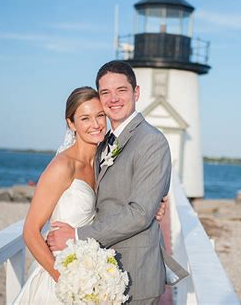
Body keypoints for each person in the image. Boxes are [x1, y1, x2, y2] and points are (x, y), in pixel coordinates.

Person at [47, 61, 185, 304]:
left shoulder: (151, 141)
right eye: (105, 92)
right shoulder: (102, 143)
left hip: (136, 276)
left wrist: (77, 235)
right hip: (100, 271)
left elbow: (140, 213)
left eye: (121, 90)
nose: (113, 99)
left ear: (136, 93)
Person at [13, 86, 167, 304]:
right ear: (71, 123)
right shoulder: (62, 167)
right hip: (62, 275)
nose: (95, 124)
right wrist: (65, 280)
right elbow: (30, 231)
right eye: (85, 118)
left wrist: (154, 205)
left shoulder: (103, 161)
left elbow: (122, 200)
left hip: (92, 271)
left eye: (100, 115)